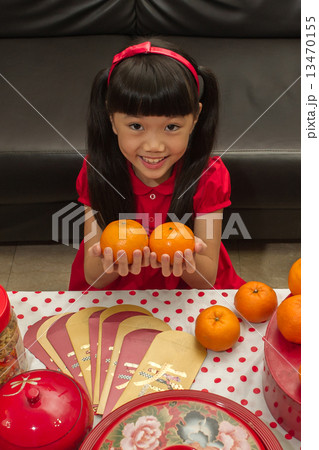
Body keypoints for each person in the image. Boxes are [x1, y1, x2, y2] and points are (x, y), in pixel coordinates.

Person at [69, 38, 245, 291]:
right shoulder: (98, 170)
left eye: (171, 127)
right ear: (111, 119)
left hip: (186, 291)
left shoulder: (209, 175)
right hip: (118, 291)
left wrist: (185, 263)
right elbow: (92, 275)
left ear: (195, 119)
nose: (154, 146)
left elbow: (207, 277)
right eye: (136, 126)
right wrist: (110, 264)